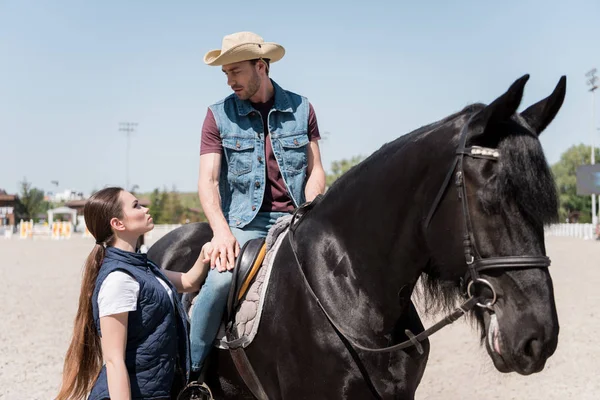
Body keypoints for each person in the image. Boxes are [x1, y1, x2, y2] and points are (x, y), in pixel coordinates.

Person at [188, 31, 326, 380]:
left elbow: (316, 171)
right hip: (243, 223)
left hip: (295, 217)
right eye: (225, 73)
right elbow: (207, 181)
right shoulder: (217, 116)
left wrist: (309, 211)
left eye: (236, 71)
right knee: (219, 284)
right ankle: (191, 374)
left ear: (261, 67)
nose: (230, 80)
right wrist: (220, 232)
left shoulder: (302, 108)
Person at [56, 187, 212, 400]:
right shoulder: (118, 280)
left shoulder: (144, 266)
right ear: (118, 224)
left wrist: (206, 251)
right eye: (136, 205)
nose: (145, 209)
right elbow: (114, 361)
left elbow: (189, 281)